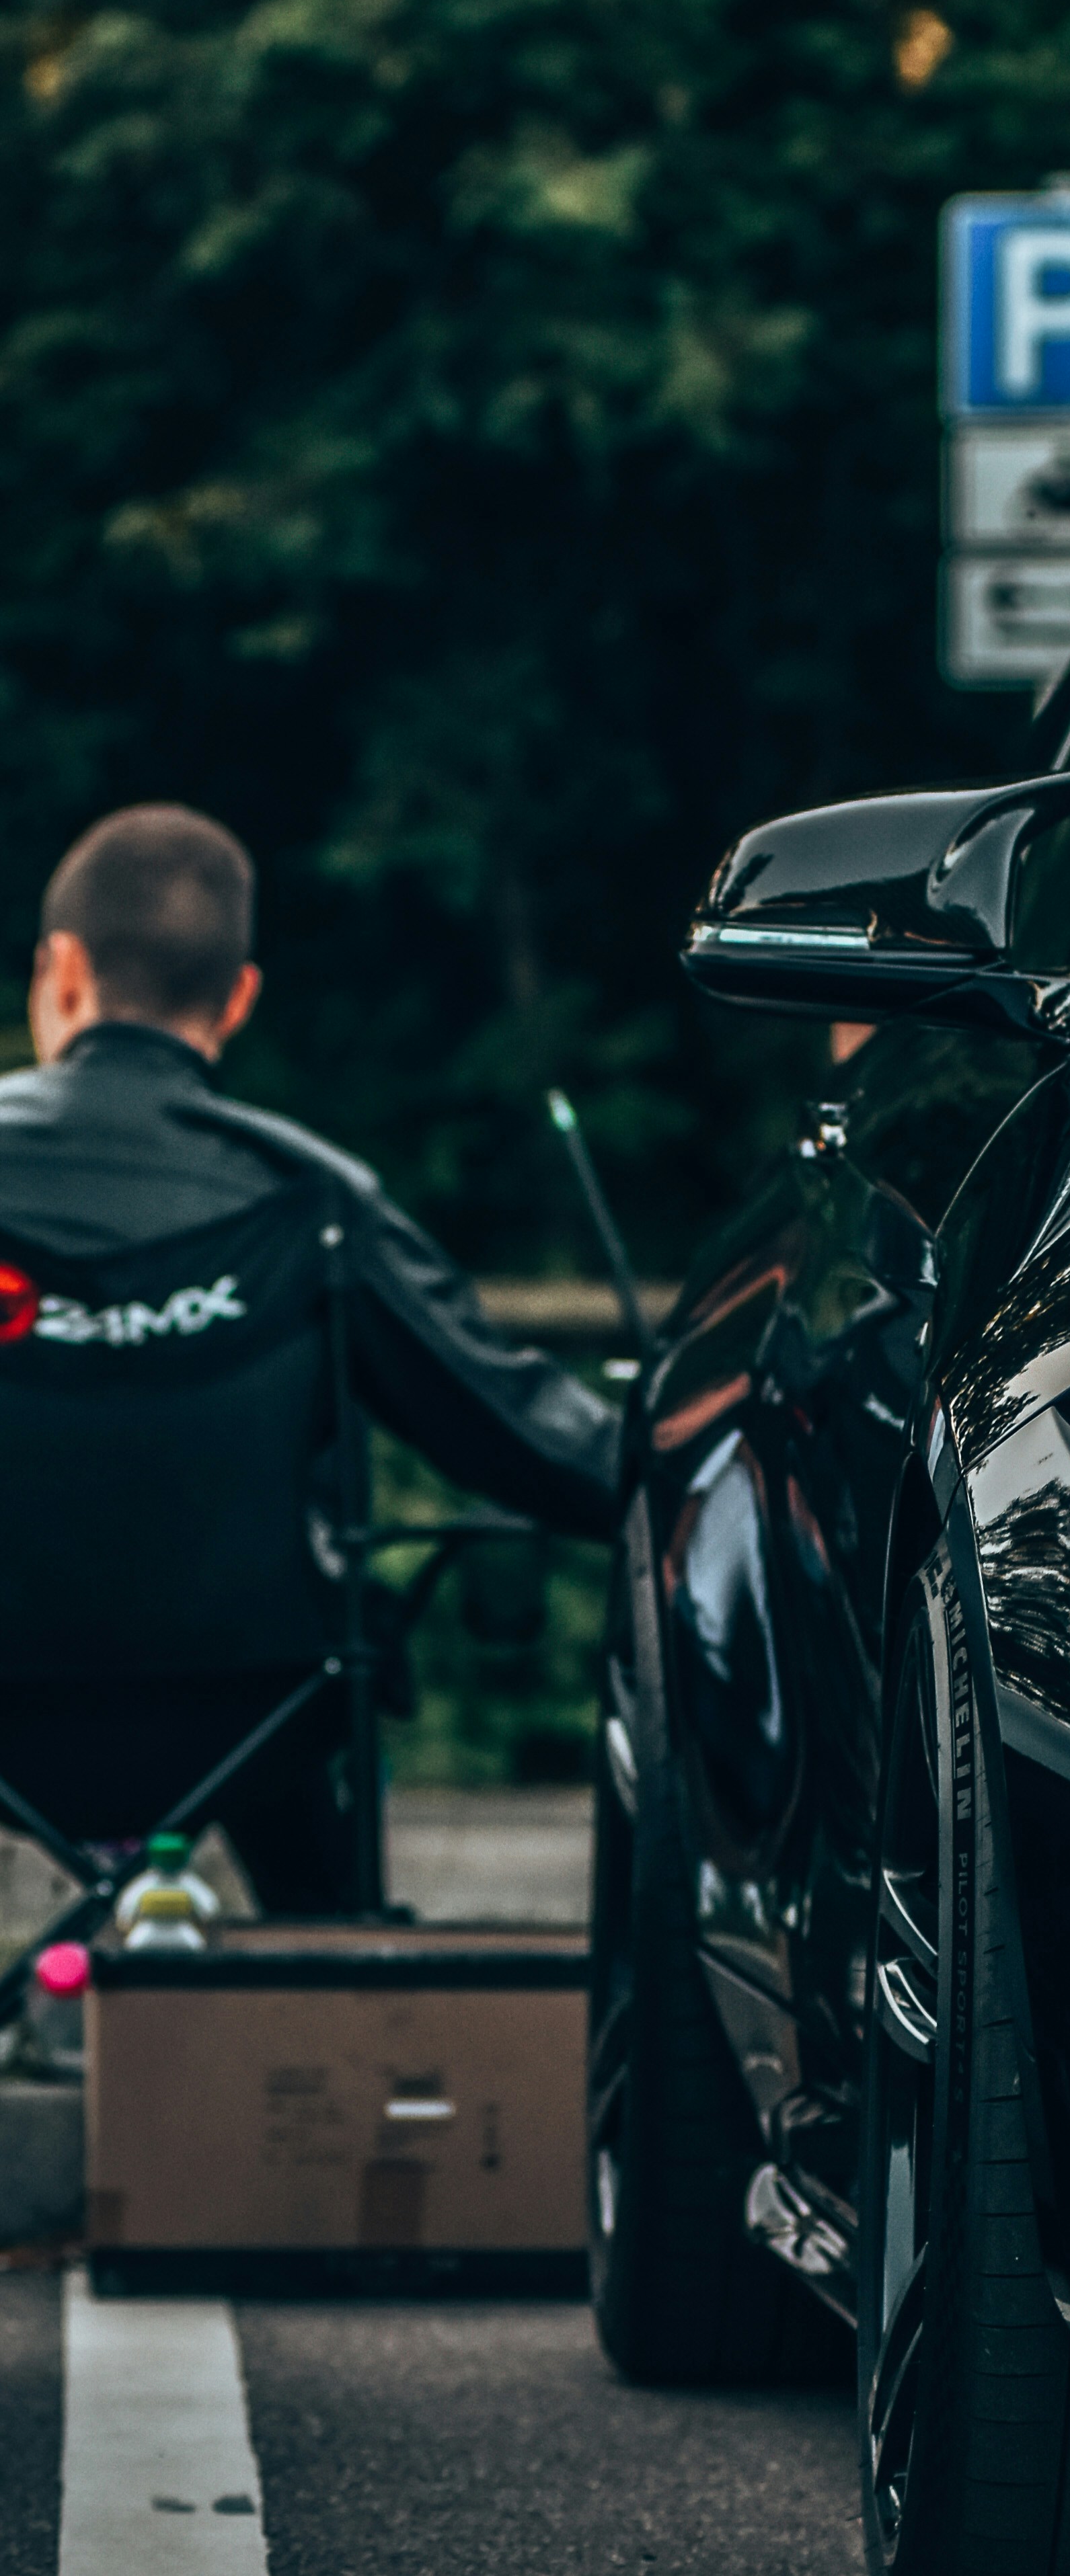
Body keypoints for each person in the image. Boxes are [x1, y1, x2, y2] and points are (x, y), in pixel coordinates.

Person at [0, 803, 619, 1909]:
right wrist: (713, 1451)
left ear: (61, 971)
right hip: (247, 1722)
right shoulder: (313, 1202)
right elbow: (533, 1441)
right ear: (238, 998)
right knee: (312, 1662)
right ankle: (337, 1983)